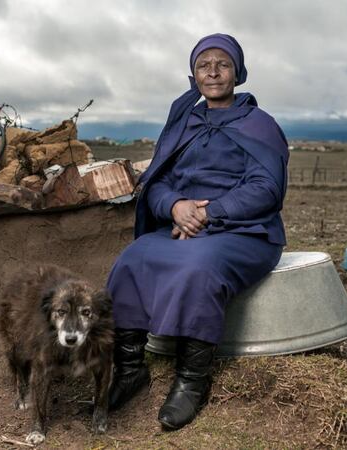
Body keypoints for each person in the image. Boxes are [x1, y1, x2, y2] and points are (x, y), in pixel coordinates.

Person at [106, 33, 289, 430]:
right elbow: (156, 181)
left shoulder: (260, 125)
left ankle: (191, 380)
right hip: (183, 223)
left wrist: (208, 214)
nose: (213, 72)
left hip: (244, 230)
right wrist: (175, 207)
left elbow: (266, 189)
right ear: (193, 74)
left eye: (222, 64)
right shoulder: (183, 122)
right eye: (204, 65)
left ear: (238, 72)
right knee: (131, 259)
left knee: (199, 266)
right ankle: (129, 367)